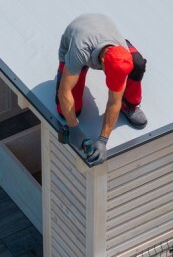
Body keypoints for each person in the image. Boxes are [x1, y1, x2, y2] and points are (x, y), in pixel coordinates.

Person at [56, 13, 147, 165]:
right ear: (103, 61)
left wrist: (103, 140)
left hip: (104, 33)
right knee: (67, 111)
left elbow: (113, 101)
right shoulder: (80, 51)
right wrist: (74, 129)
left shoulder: (122, 52)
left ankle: (130, 104)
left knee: (138, 63)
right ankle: (79, 72)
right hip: (76, 40)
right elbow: (64, 91)